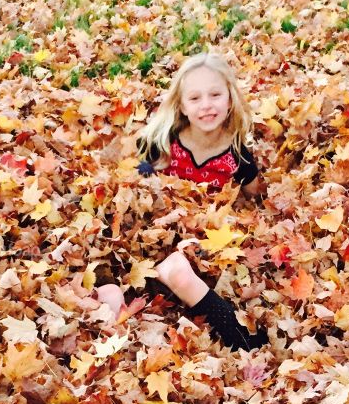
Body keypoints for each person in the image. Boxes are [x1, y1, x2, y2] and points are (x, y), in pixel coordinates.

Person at [96, 51, 267, 352]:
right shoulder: (164, 142)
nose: (206, 106)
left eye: (215, 95)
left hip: (201, 244)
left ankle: (241, 339)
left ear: (230, 99)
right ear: (183, 106)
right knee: (109, 283)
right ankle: (116, 340)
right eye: (196, 98)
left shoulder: (237, 155)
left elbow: (256, 196)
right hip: (154, 236)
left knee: (177, 269)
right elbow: (136, 186)